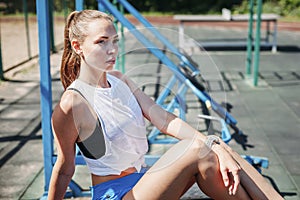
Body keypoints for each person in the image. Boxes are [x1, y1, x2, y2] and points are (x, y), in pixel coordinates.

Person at [48, 9, 283, 200]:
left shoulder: (120, 80)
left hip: (143, 183)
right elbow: (65, 167)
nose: (112, 50)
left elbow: (165, 120)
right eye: (101, 42)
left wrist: (218, 146)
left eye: (114, 41)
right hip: (116, 195)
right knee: (198, 147)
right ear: (78, 47)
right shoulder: (73, 102)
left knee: (217, 148)